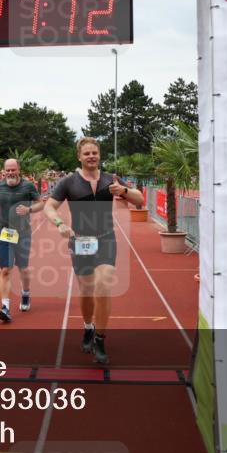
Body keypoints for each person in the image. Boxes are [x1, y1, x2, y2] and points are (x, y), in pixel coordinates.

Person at [43, 138, 143, 364]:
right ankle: (88, 326)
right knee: (87, 291)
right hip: (80, 241)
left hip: (106, 238)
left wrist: (124, 190)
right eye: (86, 153)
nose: (91, 156)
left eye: (94, 153)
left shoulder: (111, 179)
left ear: (99, 155)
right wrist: (60, 224)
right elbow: (49, 207)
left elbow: (139, 199)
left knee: (104, 283)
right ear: (79, 156)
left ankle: (100, 338)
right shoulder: (69, 182)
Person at [0, 159, 45, 323]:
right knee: (5, 270)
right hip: (4, 232)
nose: (11, 173)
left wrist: (29, 209)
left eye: (13, 170)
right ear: (4, 171)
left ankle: (25, 293)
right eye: (8, 170)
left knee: (24, 269)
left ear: (19, 169)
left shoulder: (28, 186)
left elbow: (41, 204)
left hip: (23, 233)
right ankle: (5, 307)